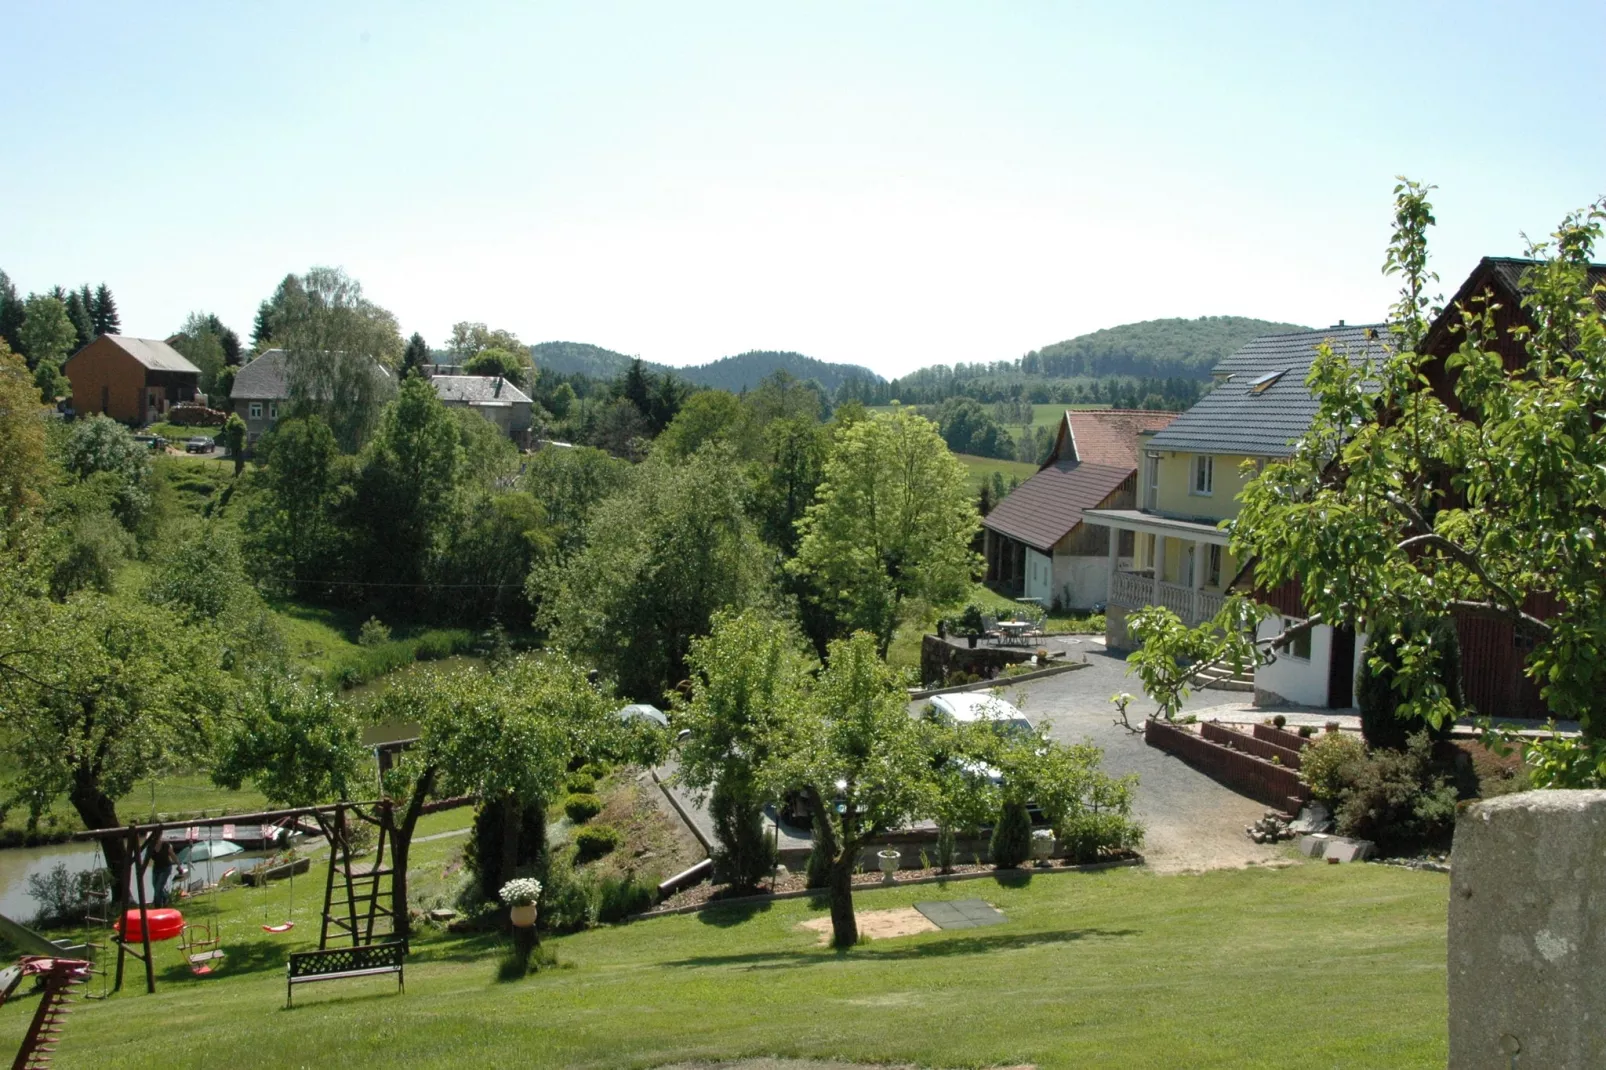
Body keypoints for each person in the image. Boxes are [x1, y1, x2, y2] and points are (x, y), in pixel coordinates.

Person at [151, 841, 178, 907]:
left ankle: (158, 907)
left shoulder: (165, 845)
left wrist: (179, 865)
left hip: (166, 868)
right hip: (156, 869)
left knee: (158, 888)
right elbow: (146, 857)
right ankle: (166, 897)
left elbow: (173, 855)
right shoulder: (151, 845)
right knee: (155, 887)